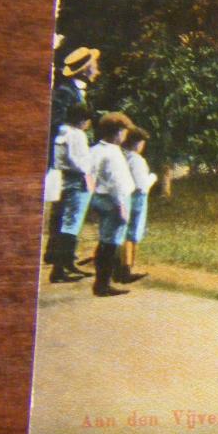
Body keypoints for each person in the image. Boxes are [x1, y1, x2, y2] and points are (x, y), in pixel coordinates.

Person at [44, 47, 100, 265]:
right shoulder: (64, 93)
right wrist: (73, 134)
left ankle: (58, 252)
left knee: (66, 207)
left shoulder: (79, 91)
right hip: (66, 157)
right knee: (65, 205)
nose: (98, 70)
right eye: (95, 66)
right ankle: (58, 254)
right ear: (86, 70)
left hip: (74, 154)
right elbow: (55, 123)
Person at [88, 112, 135, 297]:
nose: (124, 136)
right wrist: (121, 206)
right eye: (123, 132)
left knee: (105, 240)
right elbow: (117, 183)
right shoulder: (113, 153)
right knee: (110, 243)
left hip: (100, 197)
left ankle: (103, 281)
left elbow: (89, 175)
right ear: (117, 132)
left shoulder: (95, 150)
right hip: (115, 200)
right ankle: (103, 284)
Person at [48, 103, 95, 283]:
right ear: (82, 120)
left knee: (65, 222)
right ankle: (59, 269)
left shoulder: (62, 131)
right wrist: (89, 169)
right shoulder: (76, 134)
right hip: (76, 179)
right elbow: (78, 161)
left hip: (64, 179)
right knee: (70, 225)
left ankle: (67, 264)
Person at [117, 127, 157, 283]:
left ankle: (122, 266)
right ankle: (128, 267)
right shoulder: (137, 160)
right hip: (138, 196)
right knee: (134, 231)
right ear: (137, 143)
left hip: (124, 195)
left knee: (125, 229)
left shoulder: (122, 156)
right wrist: (152, 177)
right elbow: (142, 185)